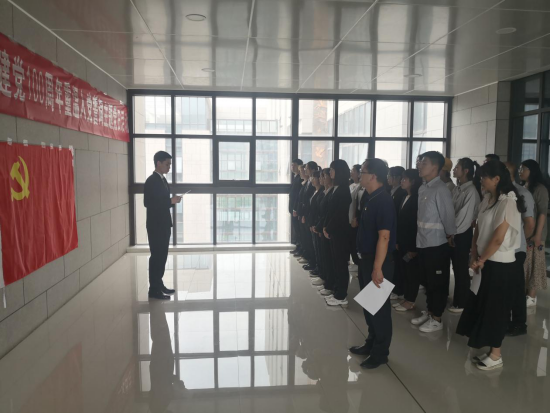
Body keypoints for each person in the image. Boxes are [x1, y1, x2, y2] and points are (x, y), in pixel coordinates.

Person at [457, 161, 525, 371]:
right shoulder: (487, 198)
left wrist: (481, 259)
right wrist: (474, 253)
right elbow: (477, 227)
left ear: (496, 179)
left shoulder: (508, 201)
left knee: (496, 309)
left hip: (500, 265)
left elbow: (498, 238)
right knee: (483, 305)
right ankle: (489, 348)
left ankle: (496, 355)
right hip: (485, 261)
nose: (481, 180)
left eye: (484, 176)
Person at [349, 158, 397, 370]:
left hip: (379, 262)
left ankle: (380, 353)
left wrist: (377, 268)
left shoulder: (383, 201)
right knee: (370, 307)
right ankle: (371, 342)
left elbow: (384, 237)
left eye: (363, 172)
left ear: (374, 176)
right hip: (367, 259)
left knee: (379, 310)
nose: (360, 175)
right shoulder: (369, 197)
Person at [412, 151, 457, 333]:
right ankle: (430, 312)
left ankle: (437, 318)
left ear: (435, 167)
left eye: (424, 163)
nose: (419, 166)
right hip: (423, 242)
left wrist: (450, 236)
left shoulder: (441, 189)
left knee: (437, 282)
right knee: (427, 281)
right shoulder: (423, 188)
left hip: (437, 244)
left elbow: (448, 216)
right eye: (420, 162)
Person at [144, 151, 181, 300]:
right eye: (167, 164)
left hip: (164, 223)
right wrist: (170, 201)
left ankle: (159, 285)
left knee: (162, 256)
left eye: (170, 164)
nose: (169, 167)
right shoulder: (151, 181)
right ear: (158, 163)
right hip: (155, 225)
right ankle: (153, 290)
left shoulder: (163, 180)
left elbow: (162, 202)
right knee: (157, 257)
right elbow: (148, 203)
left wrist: (172, 201)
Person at [505, 162, 535, 337]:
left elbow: (529, 224)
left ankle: (518, 323)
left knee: (516, 288)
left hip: (516, 250)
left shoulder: (522, 193)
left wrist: (518, 241)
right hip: (501, 250)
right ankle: (504, 319)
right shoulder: (499, 193)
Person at [449, 158, 482, 313]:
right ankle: (458, 299)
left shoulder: (471, 192)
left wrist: (451, 233)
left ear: (466, 171)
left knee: (460, 268)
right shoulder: (458, 188)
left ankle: (462, 302)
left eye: (457, 167)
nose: (454, 169)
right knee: (456, 267)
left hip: (461, 233)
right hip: (453, 232)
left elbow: (463, 218)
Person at [519, 160, 549, 308]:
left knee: (535, 264)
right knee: (525, 263)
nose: (520, 171)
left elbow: (542, 212)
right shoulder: (523, 187)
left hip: (536, 233)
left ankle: (531, 296)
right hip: (524, 231)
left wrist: (538, 235)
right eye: (520, 168)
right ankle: (524, 292)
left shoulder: (540, 189)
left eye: (523, 168)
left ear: (532, 171)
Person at [324, 160, 353, 307]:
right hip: (334, 231)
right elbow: (330, 211)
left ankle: (341, 295)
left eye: (332, 169)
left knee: (341, 264)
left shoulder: (344, 190)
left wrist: (328, 228)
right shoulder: (336, 188)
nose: (330, 172)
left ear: (339, 171)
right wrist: (326, 227)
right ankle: (336, 290)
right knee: (335, 262)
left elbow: (339, 214)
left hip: (340, 232)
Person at [394, 169, 422, 313]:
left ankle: (410, 300)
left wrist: (413, 248)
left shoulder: (417, 199)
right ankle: (406, 297)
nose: (402, 181)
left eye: (405, 179)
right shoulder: (405, 197)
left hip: (411, 243)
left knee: (412, 273)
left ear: (413, 181)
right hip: (403, 241)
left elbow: (415, 225)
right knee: (404, 270)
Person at [315, 169, 335, 296]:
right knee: (324, 256)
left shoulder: (333, 192)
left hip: (328, 229)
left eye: (324, 176)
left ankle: (330, 285)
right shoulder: (325, 192)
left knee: (329, 259)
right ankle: (326, 281)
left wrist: (322, 227)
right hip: (322, 227)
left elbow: (328, 214)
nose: (321, 179)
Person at [388, 166, 407, 300]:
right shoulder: (392, 191)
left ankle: (399, 289)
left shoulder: (401, 193)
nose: (388, 178)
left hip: (397, 233)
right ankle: (395, 287)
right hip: (391, 232)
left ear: (396, 178)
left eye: (389, 176)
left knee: (398, 263)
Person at [299, 162, 318, 271]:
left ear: (312, 169)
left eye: (306, 169)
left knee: (311, 241)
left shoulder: (313, 183)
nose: (305, 171)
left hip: (310, 215)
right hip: (306, 214)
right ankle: (310, 260)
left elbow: (310, 201)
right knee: (307, 239)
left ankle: (313, 262)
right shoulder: (308, 181)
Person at [308, 169, 325, 278]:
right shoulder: (314, 191)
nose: (312, 180)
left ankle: (321, 271)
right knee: (316, 248)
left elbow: (320, 212)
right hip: (313, 224)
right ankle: (318, 268)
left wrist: (317, 225)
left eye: (314, 178)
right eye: (312, 178)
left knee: (320, 250)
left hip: (317, 225)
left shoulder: (322, 193)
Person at [349, 165, 362, 272]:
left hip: (354, 219)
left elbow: (357, 204)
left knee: (354, 241)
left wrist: (355, 217)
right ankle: (354, 261)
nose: (351, 172)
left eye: (353, 170)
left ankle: (358, 263)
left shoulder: (360, 187)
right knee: (350, 242)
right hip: (348, 217)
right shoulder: (351, 185)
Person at [290, 159, 304, 254]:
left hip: (296, 208)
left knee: (299, 230)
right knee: (296, 229)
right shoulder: (295, 177)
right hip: (293, 208)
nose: (292, 167)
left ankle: (301, 248)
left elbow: (298, 196)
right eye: (292, 165)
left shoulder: (300, 179)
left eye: (294, 165)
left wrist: (295, 208)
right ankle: (298, 247)